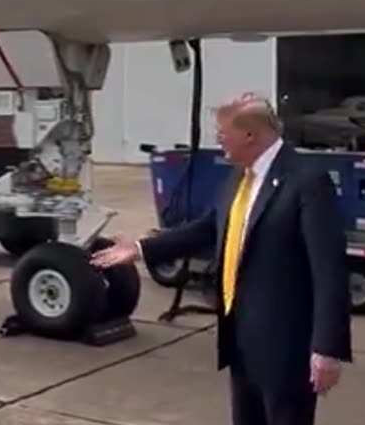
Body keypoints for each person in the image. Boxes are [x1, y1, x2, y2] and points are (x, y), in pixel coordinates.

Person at [91, 94, 350, 425]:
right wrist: (142, 248)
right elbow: (208, 228)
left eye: (222, 132)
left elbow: (329, 271)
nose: (218, 140)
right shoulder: (240, 177)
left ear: (250, 135)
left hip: (286, 347)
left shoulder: (307, 181)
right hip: (241, 339)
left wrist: (327, 348)